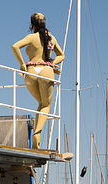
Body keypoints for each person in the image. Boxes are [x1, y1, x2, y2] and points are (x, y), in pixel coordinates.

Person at [12, 13, 65, 149]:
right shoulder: (51, 38)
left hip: (31, 71)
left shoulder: (31, 37)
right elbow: (62, 55)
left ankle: (36, 134)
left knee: (40, 103)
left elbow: (15, 47)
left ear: (32, 25)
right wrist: (52, 63)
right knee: (45, 105)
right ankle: (37, 133)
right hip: (46, 70)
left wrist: (23, 64)